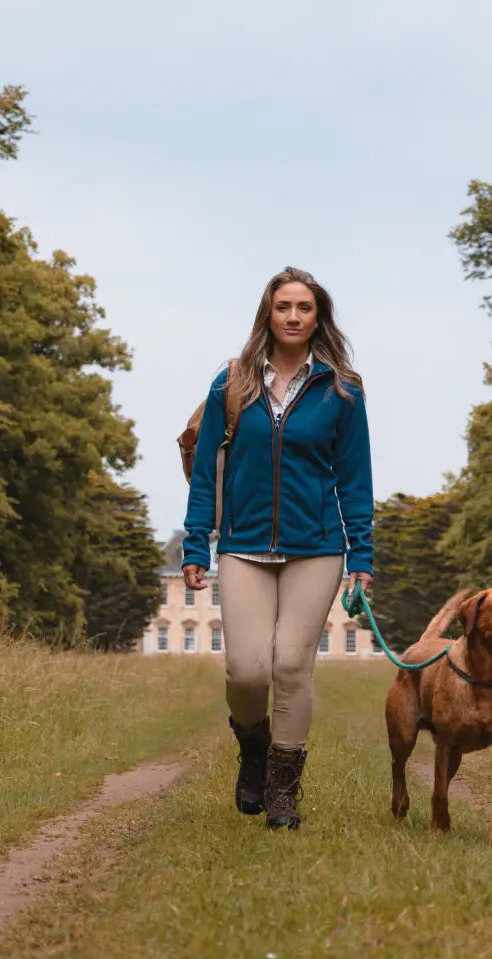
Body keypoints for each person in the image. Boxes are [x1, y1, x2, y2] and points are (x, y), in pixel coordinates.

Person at [182, 266, 374, 830]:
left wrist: (361, 559)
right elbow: (205, 474)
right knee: (246, 670)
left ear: (320, 317)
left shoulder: (343, 389)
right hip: (242, 546)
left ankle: (284, 792)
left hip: (316, 548)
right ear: (268, 312)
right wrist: (197, 543)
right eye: (283, 306)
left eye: (304, 308)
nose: (293, 316)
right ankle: (253, 749)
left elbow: (355, 479)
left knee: (292, 664)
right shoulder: (233, 384)